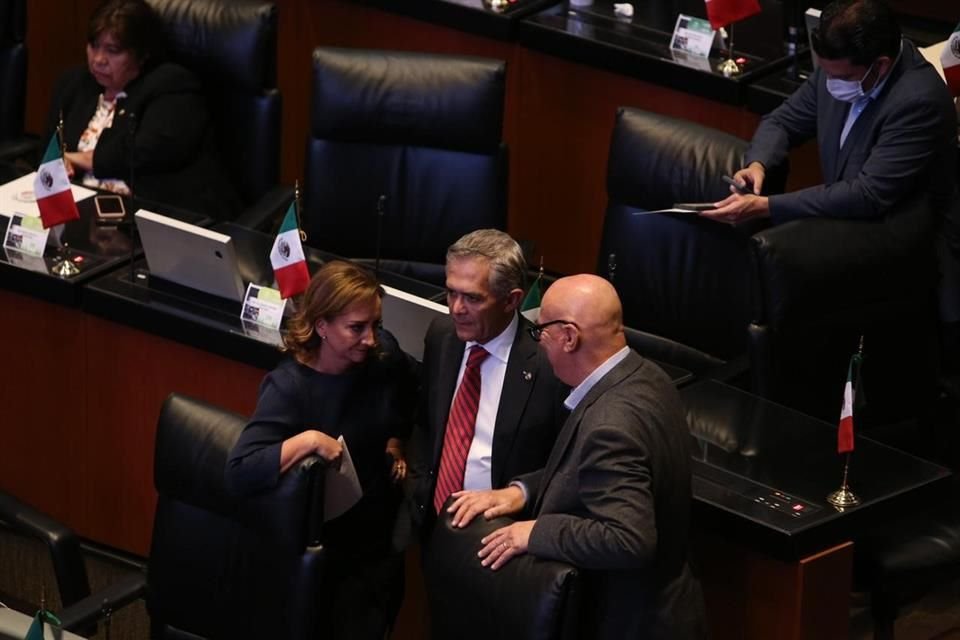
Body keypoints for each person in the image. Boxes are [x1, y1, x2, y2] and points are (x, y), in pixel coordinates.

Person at [447, 274, 706, 640]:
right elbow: (589, 473)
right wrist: (522, 491)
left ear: (569, 337)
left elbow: (626, 538)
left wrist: (535, 531)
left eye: (541, 333)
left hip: (628, 623)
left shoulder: (610, 424)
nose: (540, 346)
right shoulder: (646, 377)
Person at [225, 260, 417, 640]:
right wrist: (307, 441)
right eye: (357, 328)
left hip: (377, 541)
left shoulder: (381, 358)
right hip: (324, 552)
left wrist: (396, 442)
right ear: (321, 326)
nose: (371, 338)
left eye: (375, 325)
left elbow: (409, 398)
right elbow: (241, 470)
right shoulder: (289, 387)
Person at [702, 0, 956, 228]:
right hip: (846, 227)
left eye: (842, 77)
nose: (831, 82)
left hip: (905, 242)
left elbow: (867, 195)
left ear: (881, 65)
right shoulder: (839, 66)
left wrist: (766, 206)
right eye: (827, 72)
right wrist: (758, 163)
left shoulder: (919, 101)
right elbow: (782, 121)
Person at [394, 229, 567, 548]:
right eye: (451, 293)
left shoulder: (549, 365)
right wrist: (419, 487)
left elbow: (568, 466)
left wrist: (518, 493)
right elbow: (426, 424)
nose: (456, 308)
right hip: (429, 523)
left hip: (500, 538)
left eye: (472, 297)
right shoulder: (443, 335)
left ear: (511, 300)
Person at [48, 0, 239, 218]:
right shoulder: (73, 84)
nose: (98, 59)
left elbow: (144, 151)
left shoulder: (172, 85)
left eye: (113, 50)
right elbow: (50, 154)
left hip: (149, 221)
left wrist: (75, 158)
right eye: (94, 45)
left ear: (142, 54)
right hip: (79, 215)